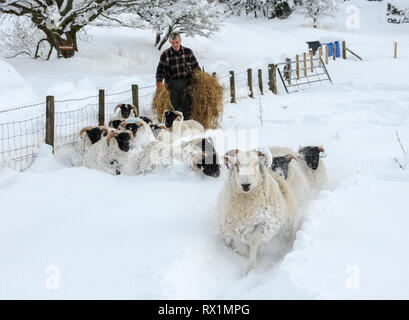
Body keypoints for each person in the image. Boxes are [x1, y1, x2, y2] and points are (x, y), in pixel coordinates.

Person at [156, 32, 200, 120]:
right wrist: (159, 83)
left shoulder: (188, 52)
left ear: (180, 41)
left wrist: (200, 80)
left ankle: (186, 125)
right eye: (173, 42)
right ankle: (175, 126)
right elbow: (160, 70)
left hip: (186, 84)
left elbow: (196, 67)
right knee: (173, 107)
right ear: (170, 42)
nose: (175, 44)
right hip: (172, 86)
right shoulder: (165, 54)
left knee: (187, 106)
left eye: (177, 42)